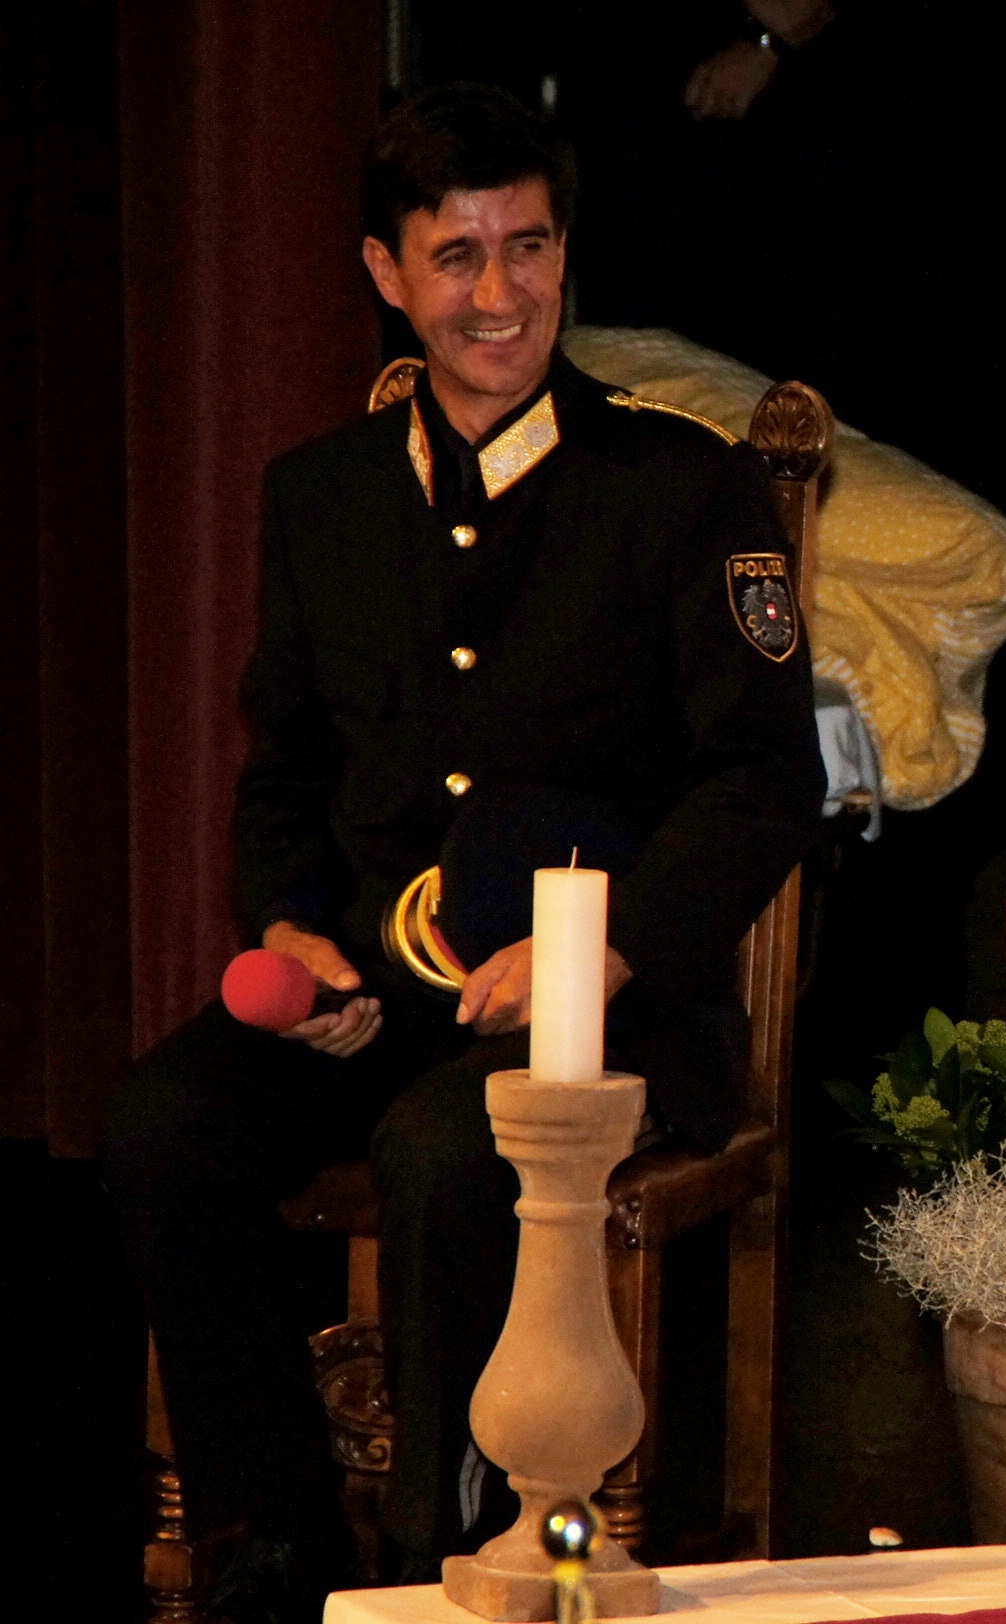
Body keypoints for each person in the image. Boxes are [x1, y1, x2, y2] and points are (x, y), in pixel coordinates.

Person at [102, 83, 825, 1619]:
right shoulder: (322, 495)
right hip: (381, 995)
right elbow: (286, 770)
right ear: (386, 272)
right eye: (457, 256)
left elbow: (763, 782)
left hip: (612, 1007)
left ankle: (450, 1564)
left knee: (451, 1152)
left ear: (565, 253)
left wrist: (606, 949)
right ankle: (275, 1540)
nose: (499, 293)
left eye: (529, 247)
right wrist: (290, 926)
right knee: (164, 1125)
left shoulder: (681, 486)